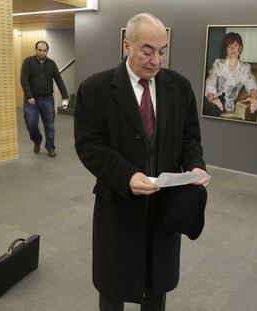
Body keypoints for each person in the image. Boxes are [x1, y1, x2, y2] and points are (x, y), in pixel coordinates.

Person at [74, 13, 209, 311]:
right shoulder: (95, 90)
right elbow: (89, 145)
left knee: (157, 283)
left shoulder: (180, 88)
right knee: (113, 284)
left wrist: (195, 165)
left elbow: (189, 137)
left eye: (162, 51)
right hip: (119, 204)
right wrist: (125, 175)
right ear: (127, 45)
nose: (156, 60)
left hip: (165, 205)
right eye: (148, 50)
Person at [20, 40, 69, 157]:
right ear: (36, 50)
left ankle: (50, 147)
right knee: (31, 123)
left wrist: (65, 96)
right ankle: (37, 140)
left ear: (47, 51)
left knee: (50, 125)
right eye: (39, 50)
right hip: (31, 100)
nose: (42, 53)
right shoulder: (28, 62)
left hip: (47, 99)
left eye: (44, 50)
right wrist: (29, 95)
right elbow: (24, 79)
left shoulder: (51, 64)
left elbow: (58, 80)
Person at [203, 32, 257, 117]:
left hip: (228, 105)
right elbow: (210, 82)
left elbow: (251, 83)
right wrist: (212, 99)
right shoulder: (218, 64)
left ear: (240, 48)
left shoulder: (245, 68)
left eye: (235, 45)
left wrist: (254, 97)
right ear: (226, 50)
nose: (232, 49)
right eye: (229, 46)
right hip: (212, 100)